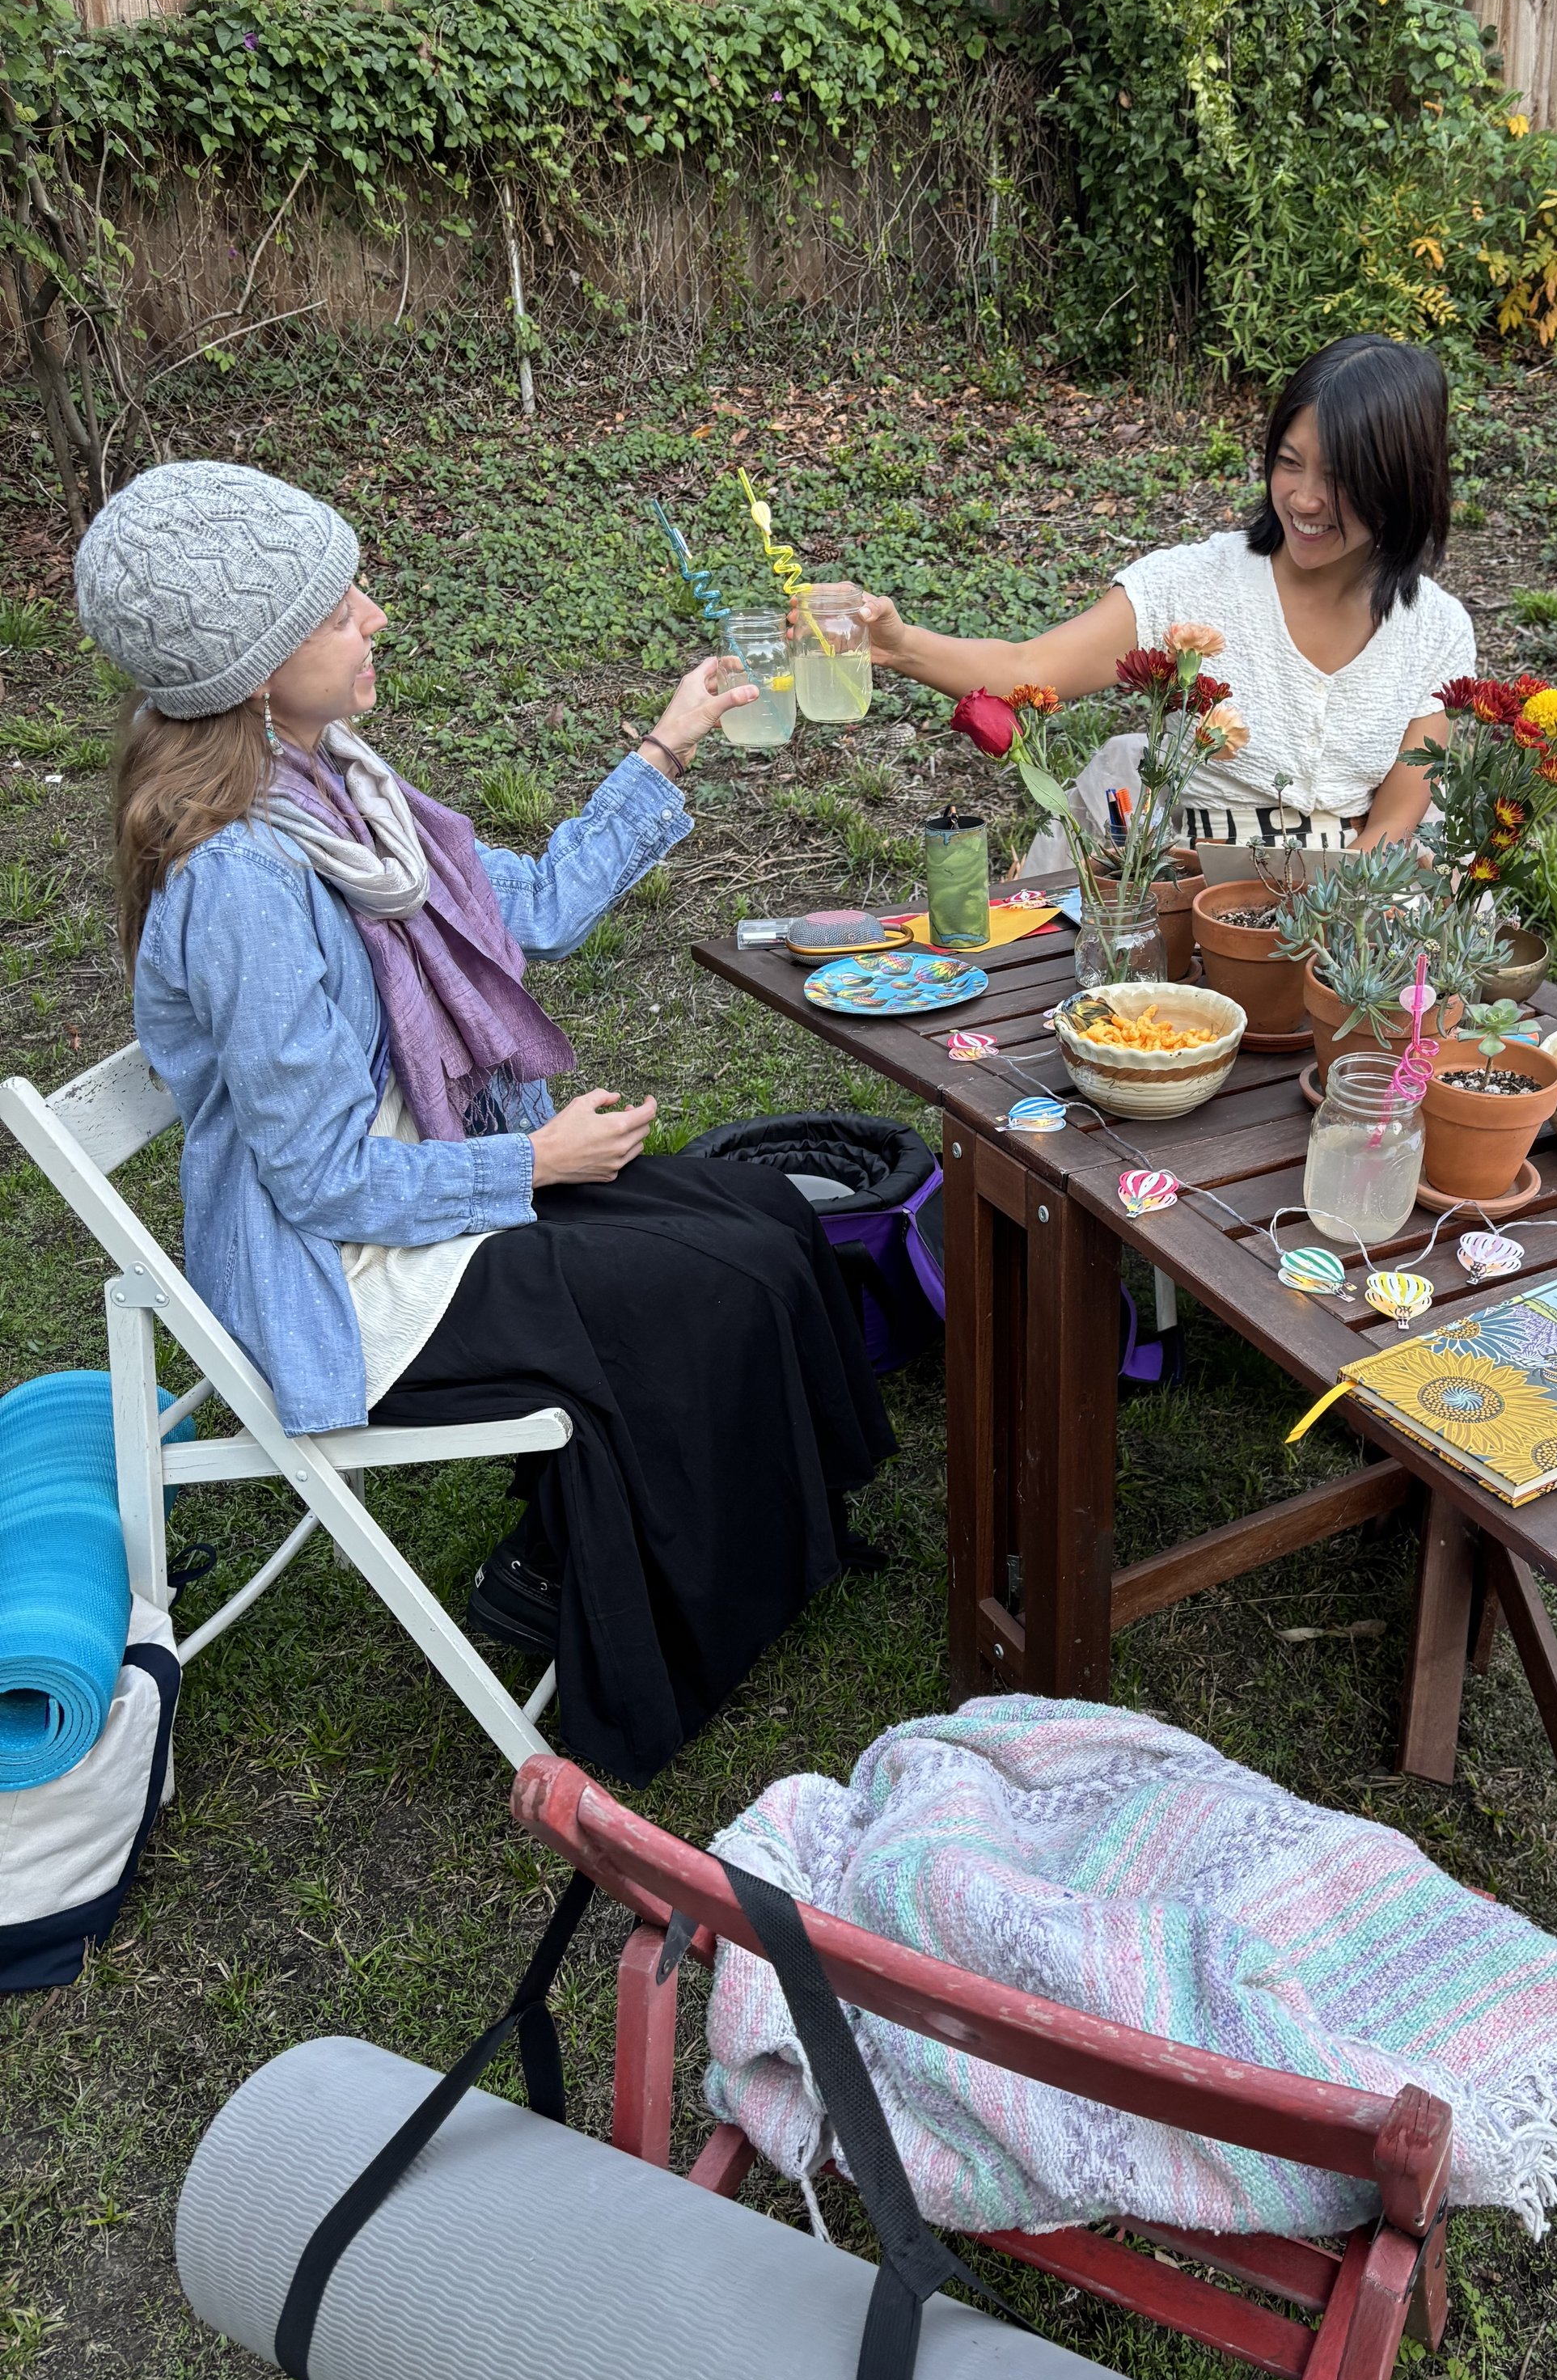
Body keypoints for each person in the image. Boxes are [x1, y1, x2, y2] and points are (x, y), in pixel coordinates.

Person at [77, 462, 894, 1782]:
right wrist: (534, 1162)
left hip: (423, 1184)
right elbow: (322, 1181)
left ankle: (739, 1535)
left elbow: (539, 908)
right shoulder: (244, 882)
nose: (376, 617)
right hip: (347, 1273)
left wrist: (668, 742)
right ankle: (590, 1588)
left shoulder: (341, 793)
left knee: (754, 1209)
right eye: (339, 608)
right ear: (254, 669)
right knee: (698, 1290)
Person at [859, 333, 1474, 860]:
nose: (1305, 499)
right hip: (1199, 898)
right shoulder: (1192, 584)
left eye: (1338, 479)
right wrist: (897, 644)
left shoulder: (1436, 630)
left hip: (1358, 904)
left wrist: (1332, 913)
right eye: (1290, 463)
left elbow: (1397, 815)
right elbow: (1030, 668)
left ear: (1400, 483)